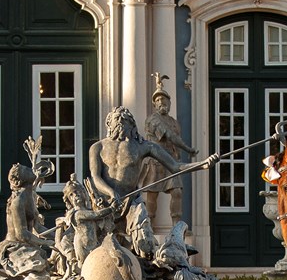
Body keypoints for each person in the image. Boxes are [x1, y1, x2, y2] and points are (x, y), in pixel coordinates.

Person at [89, 107, 213, 259]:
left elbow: (175, 166)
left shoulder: (143, 146)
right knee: (95, 249)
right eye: (117, 119)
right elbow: (95, 177)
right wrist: (111, 193)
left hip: (131, 203)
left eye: (125, 120)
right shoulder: (97, 148)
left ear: (132, 125)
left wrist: (203, 164)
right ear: (109, 124)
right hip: (104, 204)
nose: (121, 123)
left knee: (145, 245)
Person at [141, 77, 199, 228]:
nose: (162, 103)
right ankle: (149, 225)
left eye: (164, 100)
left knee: (177, 192)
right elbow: (171, 137)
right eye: (158, 100)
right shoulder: (153, 119)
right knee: (152, 195)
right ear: (154, 104)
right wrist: (189, 149)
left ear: (169, 103)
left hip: (171, 162)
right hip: (156, 161)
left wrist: (180, 153)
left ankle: (176, 226)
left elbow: (175, 140)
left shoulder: (174, 122)